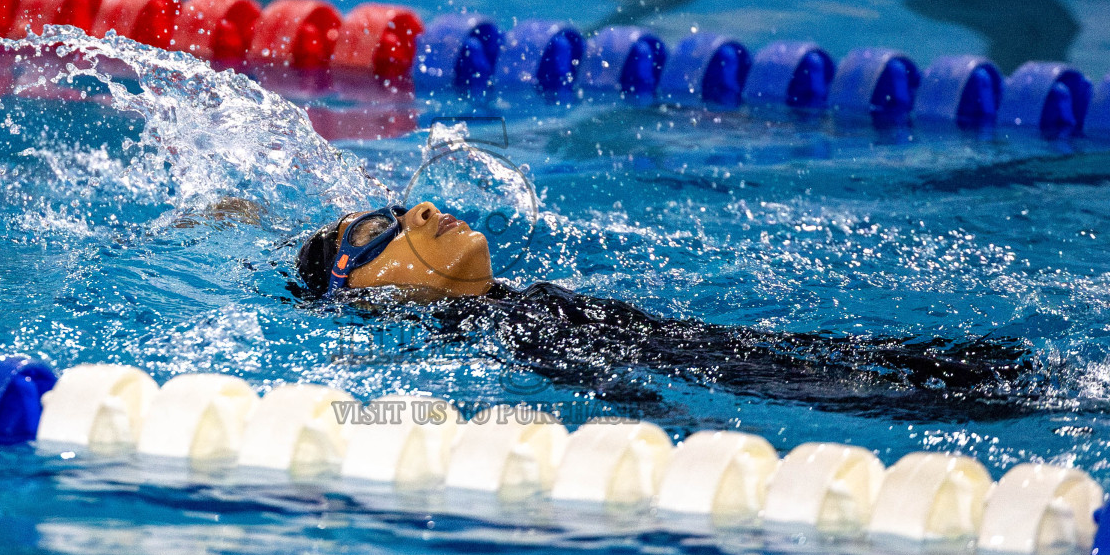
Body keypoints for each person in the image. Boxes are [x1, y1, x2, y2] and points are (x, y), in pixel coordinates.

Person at [295, 201, 1040, 422]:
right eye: (376, 230)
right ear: (360, 291)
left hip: (745, 352)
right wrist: (672, 423)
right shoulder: (496, 325)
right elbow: (582, 376)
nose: (422, 208)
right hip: (753, 377)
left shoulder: (507, 305)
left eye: (405, 205)